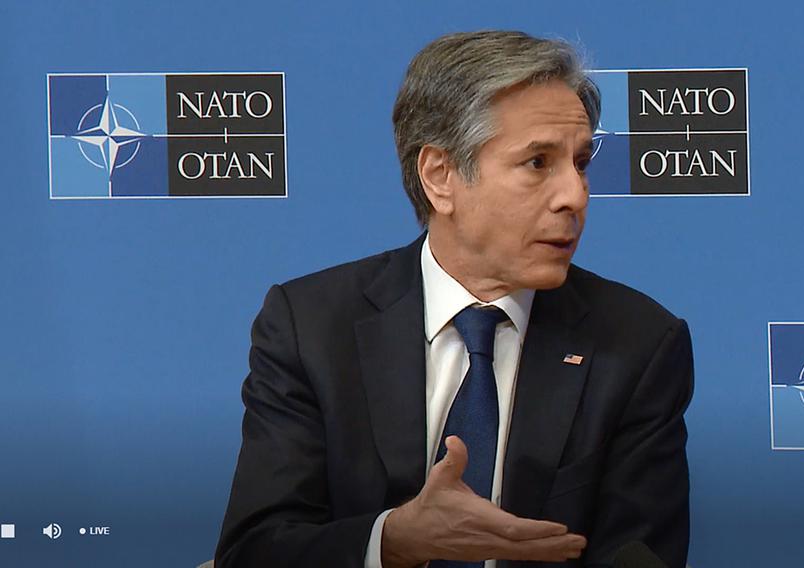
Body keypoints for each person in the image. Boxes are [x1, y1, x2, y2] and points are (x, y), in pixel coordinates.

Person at [215, 30, 694, 568]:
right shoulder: (310, 327)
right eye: (538, 163)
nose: (575, 195)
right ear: (440, 177)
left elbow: (641, 555)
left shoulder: (637, 345)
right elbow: (254, 551)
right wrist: (392, 541)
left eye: (580, 163)